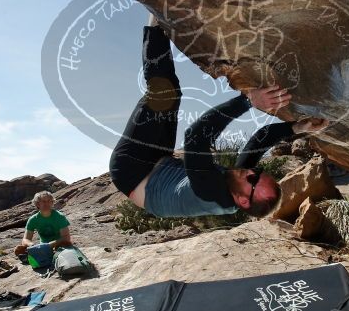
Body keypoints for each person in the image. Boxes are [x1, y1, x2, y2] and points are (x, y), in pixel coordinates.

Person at [109, 14, 329, 219]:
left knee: (161, 93)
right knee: (171, 93)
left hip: (132, 171)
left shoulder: (211, 192)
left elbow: (196, 137)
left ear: (242, 200)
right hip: (161, 162)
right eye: (258, 172)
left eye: (253, 178)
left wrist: (248, 101)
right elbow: (260, 139)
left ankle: (154, 21)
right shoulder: (241, 181)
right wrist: (298, 128)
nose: (251, 171)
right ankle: (157, 29)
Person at [13, 191, 72, 257]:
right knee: (19, 250)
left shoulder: (60, 216)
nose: (46, 203)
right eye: (43, 201)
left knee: (64, 245)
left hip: (58, 244)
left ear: (52, 203)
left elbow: (66, 238)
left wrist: (50, 245)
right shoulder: (33, 219)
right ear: (37, 204)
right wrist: (32, 245)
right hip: (43, 247)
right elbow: (25, 240)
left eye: (49, 201)